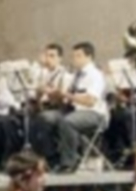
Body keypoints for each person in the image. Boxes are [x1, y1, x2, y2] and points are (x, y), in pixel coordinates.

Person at [35, 42, 108, 172]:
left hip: (94, 114)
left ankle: (69, 162)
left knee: (68, 122)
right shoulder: (76, 75)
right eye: (73, 56)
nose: (74, 59)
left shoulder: (95, 75)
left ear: (89, 57)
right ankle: (52, 158)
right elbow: (67, 97)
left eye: (78, 56)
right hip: (73, 110)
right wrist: (54, 94)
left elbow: (90, 101)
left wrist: (66, 94)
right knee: (45, 118)